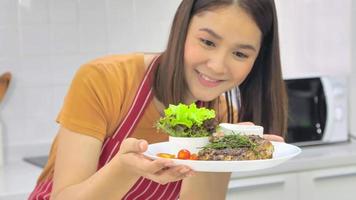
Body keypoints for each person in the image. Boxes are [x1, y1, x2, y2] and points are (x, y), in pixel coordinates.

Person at [29, 0, 287, 199]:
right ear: (181, 29)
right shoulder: (105, 80)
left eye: (240, 54)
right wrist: (126, 169)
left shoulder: (223, 118)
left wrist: (215, 152)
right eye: (207, 42)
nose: (218, 66)